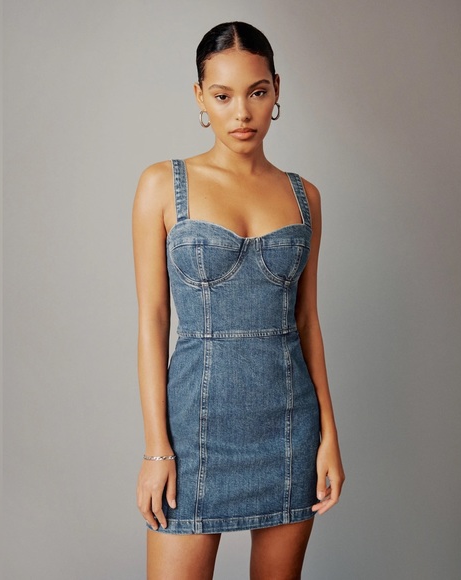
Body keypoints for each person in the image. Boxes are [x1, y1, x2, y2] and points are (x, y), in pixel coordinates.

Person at [132, 21, 345, 580]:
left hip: (289, 431)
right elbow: (153, 321)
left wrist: (329, 436)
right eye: (223, 96)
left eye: (257, 92)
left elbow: (307, 321)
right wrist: (157, 449)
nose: (242, 113)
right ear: (200, 97)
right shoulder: (161, 184)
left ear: (276, 90)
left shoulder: (305, 196)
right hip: (193, 434)